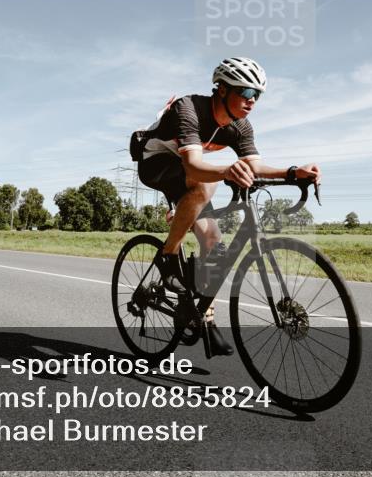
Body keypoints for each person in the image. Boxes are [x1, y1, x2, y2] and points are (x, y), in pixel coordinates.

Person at [136, 57, 321, 355]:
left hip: (186, 172)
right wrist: (226, 171)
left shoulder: (240, 127)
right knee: (204, 183)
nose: (252, 101)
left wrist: (292, 172)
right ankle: (168, 255)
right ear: (222, 89)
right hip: (155, 163)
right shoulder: (189, 109)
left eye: (257, 95)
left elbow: (255, 166)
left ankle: (204, 316)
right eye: (246, 93)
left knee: (213, 238)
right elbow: (194, 167)